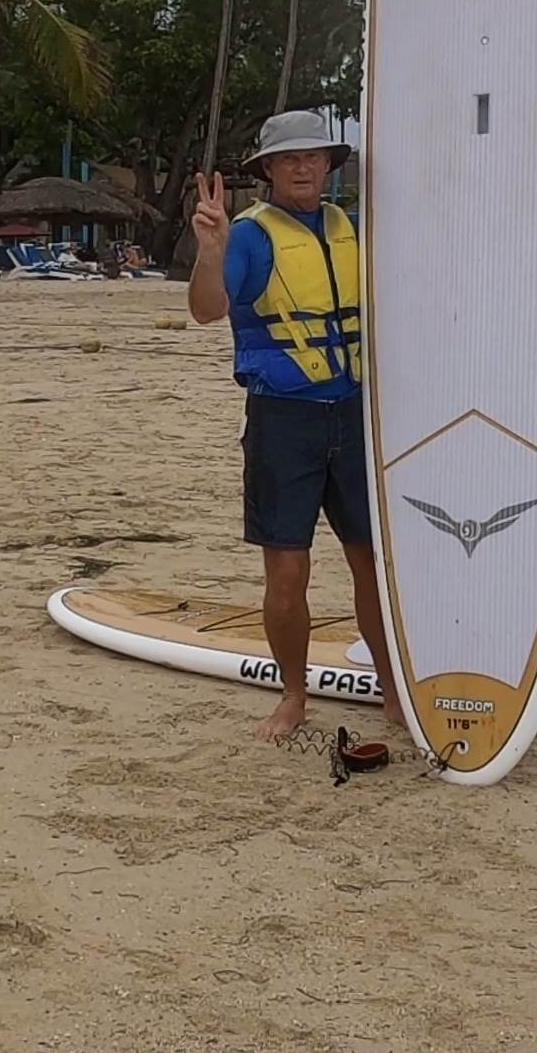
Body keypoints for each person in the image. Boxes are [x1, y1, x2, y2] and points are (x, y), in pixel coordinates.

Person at [187, 109, 400, 740]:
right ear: (269, 170)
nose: (303, 167)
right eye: (289, 158)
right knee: (287, 571)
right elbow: (205, 310)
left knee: (373, 564)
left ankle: (394, 689)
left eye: (313, 156)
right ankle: (293, 695)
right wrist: (211, 251)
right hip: (283, 421)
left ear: (329, 165)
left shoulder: (352, 228)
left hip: (355, 414)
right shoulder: (250, 237)